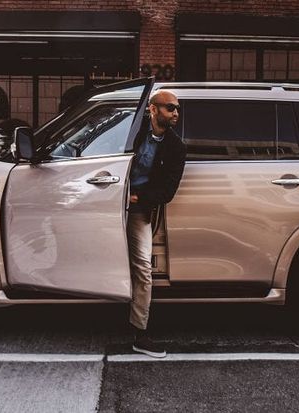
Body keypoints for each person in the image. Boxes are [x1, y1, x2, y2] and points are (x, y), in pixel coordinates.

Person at [127, 90, 186, 358]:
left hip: (139, 209)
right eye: (170, 108)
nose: (176, 113)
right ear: (153, 110)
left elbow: (167, 191)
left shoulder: (176, 147)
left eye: (177, 109)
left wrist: (138, 196)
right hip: (105, 204)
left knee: (143, 267)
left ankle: (140, 333)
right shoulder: (130, 132)